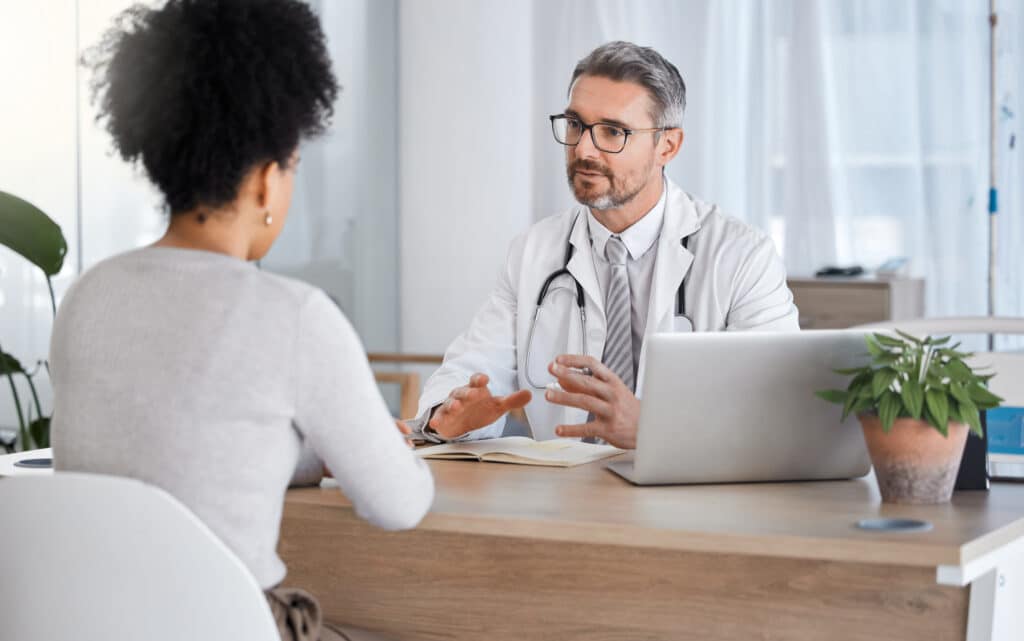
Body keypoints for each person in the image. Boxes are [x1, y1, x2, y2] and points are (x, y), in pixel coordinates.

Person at [49, 2, 432, 640]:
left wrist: (321, 454)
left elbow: (196, 438)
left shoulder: (90, 296)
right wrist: (384, 448)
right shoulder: (294, 314)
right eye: (292, 171)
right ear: (264, 182)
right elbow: (398, 505)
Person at [412, 41, 799, 450]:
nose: (583, 149)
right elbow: (469, 372)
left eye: (613, 131)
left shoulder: (741, 257)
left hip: (691, 501)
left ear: (667, 145)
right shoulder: (534, 252)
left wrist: (654, 429)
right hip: (568, 501)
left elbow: (783, 412)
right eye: (576, 124)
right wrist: (448, 418)